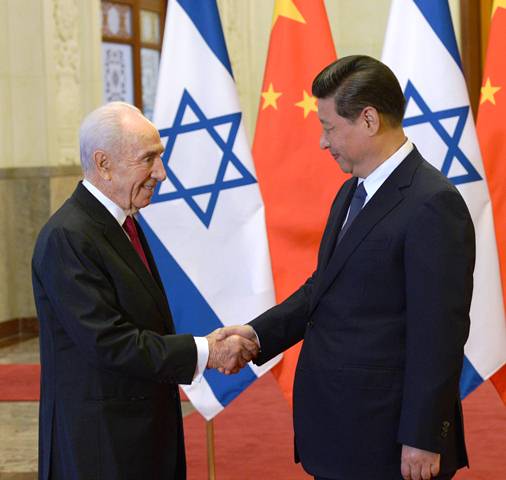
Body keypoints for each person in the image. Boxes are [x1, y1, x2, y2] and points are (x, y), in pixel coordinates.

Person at [219, 56, 475, 480]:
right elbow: (324, 287)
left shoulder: (432, 203)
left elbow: (440, 334)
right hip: (340, 428)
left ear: (369, 120)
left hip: (389, 440)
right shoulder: (351, 191)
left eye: (329, 126)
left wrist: (424, 435)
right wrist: (256, 334)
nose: (323, 142)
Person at [31, 102, 257, 480]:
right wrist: (207, 350)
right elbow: (110, 343)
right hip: (102, 447)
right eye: (148, 159)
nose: (162, 173)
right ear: (103, 164)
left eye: (160, 157)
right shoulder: (68, 237)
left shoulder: (121, 222)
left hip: (139, 435)